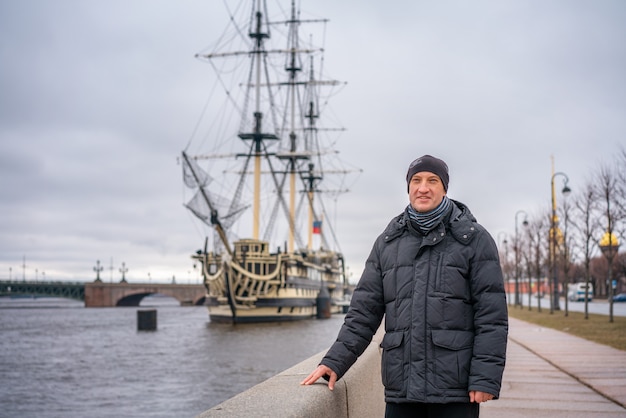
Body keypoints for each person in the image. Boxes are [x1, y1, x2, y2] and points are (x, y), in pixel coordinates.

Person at [301, 155, 508, 418]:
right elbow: (363, 315)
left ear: (444, 188)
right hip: (402, 387)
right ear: (408, 187)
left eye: (433, 180)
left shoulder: (474, 239)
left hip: (455, 389)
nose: (423, 187)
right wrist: (334, 361)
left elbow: (491, 318)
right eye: (416, 180)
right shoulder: (387, 243)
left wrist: (484, 379)